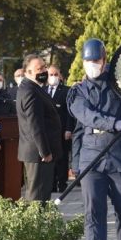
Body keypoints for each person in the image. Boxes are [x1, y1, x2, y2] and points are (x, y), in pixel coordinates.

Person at [68, 38, 121, 240]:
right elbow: (85, 116)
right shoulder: (77, 92)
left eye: (97, 60)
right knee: (93, 211)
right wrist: (113, 123)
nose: (93, 65)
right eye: (89, 61)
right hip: (92, 156)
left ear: (105, 61)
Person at [17, 55, 63, 203]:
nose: (44, 71)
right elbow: (35, 124)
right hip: (39, 154)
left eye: (44, 67)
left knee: (41, 194)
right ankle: (34, 226)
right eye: (39, 69)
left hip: (39, 152)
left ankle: (39, 224)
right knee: (38, 196)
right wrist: (45, 151)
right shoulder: (30, 90)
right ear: (28, 72)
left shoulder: (35, 88)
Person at [43, 65, 74, 193]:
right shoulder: (42, 90)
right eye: (51, 74)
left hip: (62, 131)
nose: (53, 77)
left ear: (60, 76)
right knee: (50, 158)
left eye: (56, 74)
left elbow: (70, 112)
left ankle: (62, 183)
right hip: (47, 132)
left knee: (62, 158)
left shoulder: (67, 91)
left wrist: (69, 129)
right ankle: (51, 184)